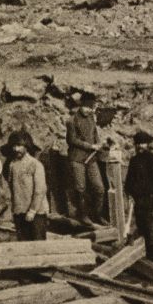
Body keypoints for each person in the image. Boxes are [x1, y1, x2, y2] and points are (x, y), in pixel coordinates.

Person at [124, 130, 153, 267]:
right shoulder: (133, 161)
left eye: (142, 144)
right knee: (143, 232)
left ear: (147, 145)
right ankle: (149, 266)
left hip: (152, 204)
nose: (140, 147)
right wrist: (130, 194)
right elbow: (129, 183)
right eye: (137, 144)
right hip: (140, 204)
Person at [0, 130, 50, 240]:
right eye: (14, 146)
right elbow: (12, 187)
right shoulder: (12, 165)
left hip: (36, 213)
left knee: (37, 245)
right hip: (19, 212)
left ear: (27, 147)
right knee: (22, 244)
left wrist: (32, 211)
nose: (16, 149)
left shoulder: (35, 165)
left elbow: (40, 190)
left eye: (19, 145)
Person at [66, 91, 107, 225]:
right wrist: (90, 146)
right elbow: (71, 140)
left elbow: (95, 135)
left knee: (99, 188)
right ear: (81, 106)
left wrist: (99, 144)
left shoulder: (91, 118)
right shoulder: (72, 120)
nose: (89, 110)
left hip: (92, 159)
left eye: (91, 108)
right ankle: (83, 215)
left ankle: (97, 215)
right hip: (77, 159)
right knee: (80, 188)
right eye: (87, 107)